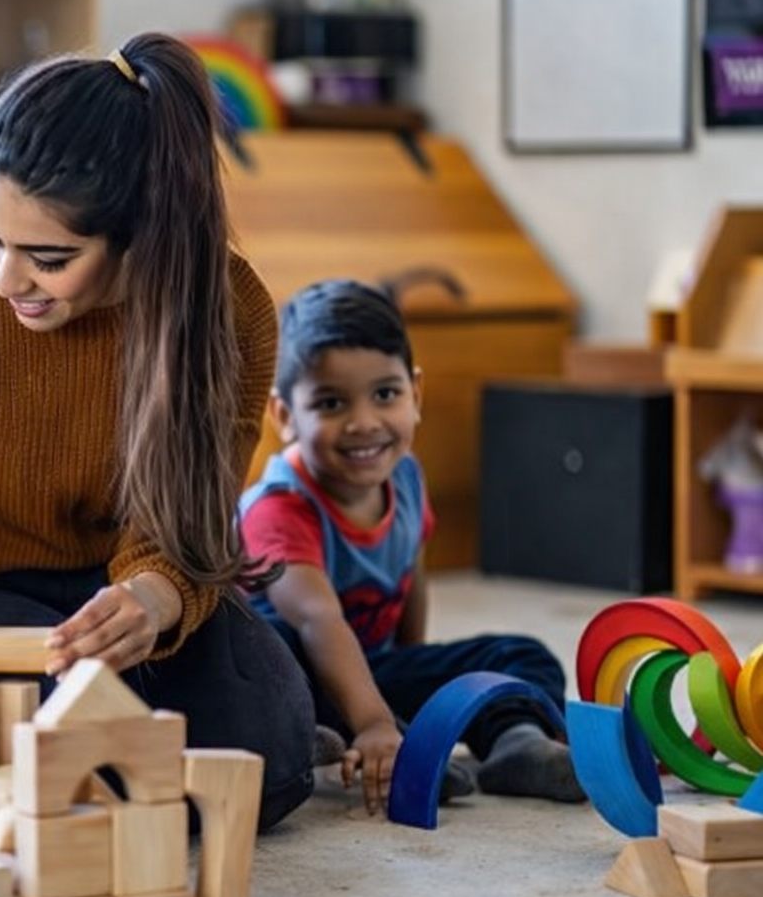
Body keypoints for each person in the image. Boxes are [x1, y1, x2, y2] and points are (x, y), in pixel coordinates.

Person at [0, 32, 316, 830]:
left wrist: (152, 600)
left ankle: (76, 772)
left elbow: (184, 542)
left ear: (142, 241)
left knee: (276, 760)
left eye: (48, 257)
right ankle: (74, 775)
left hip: (112, 598)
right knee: (92, 742)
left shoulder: (228, 309)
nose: (6, 277)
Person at [238, 279, 584, 815]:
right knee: (281, 653)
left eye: (386, 394)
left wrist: (417, 665)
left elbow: (411, 569)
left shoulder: (404, 476)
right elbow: (317, 622)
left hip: (375, 666)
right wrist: (374, 721)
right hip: (304, 673)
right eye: (330, 403)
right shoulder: (278, 509)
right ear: (284, 416)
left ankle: (519, 742)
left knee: (519, 654)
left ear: (415, 394)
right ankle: (377, 743)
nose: (364, 422)